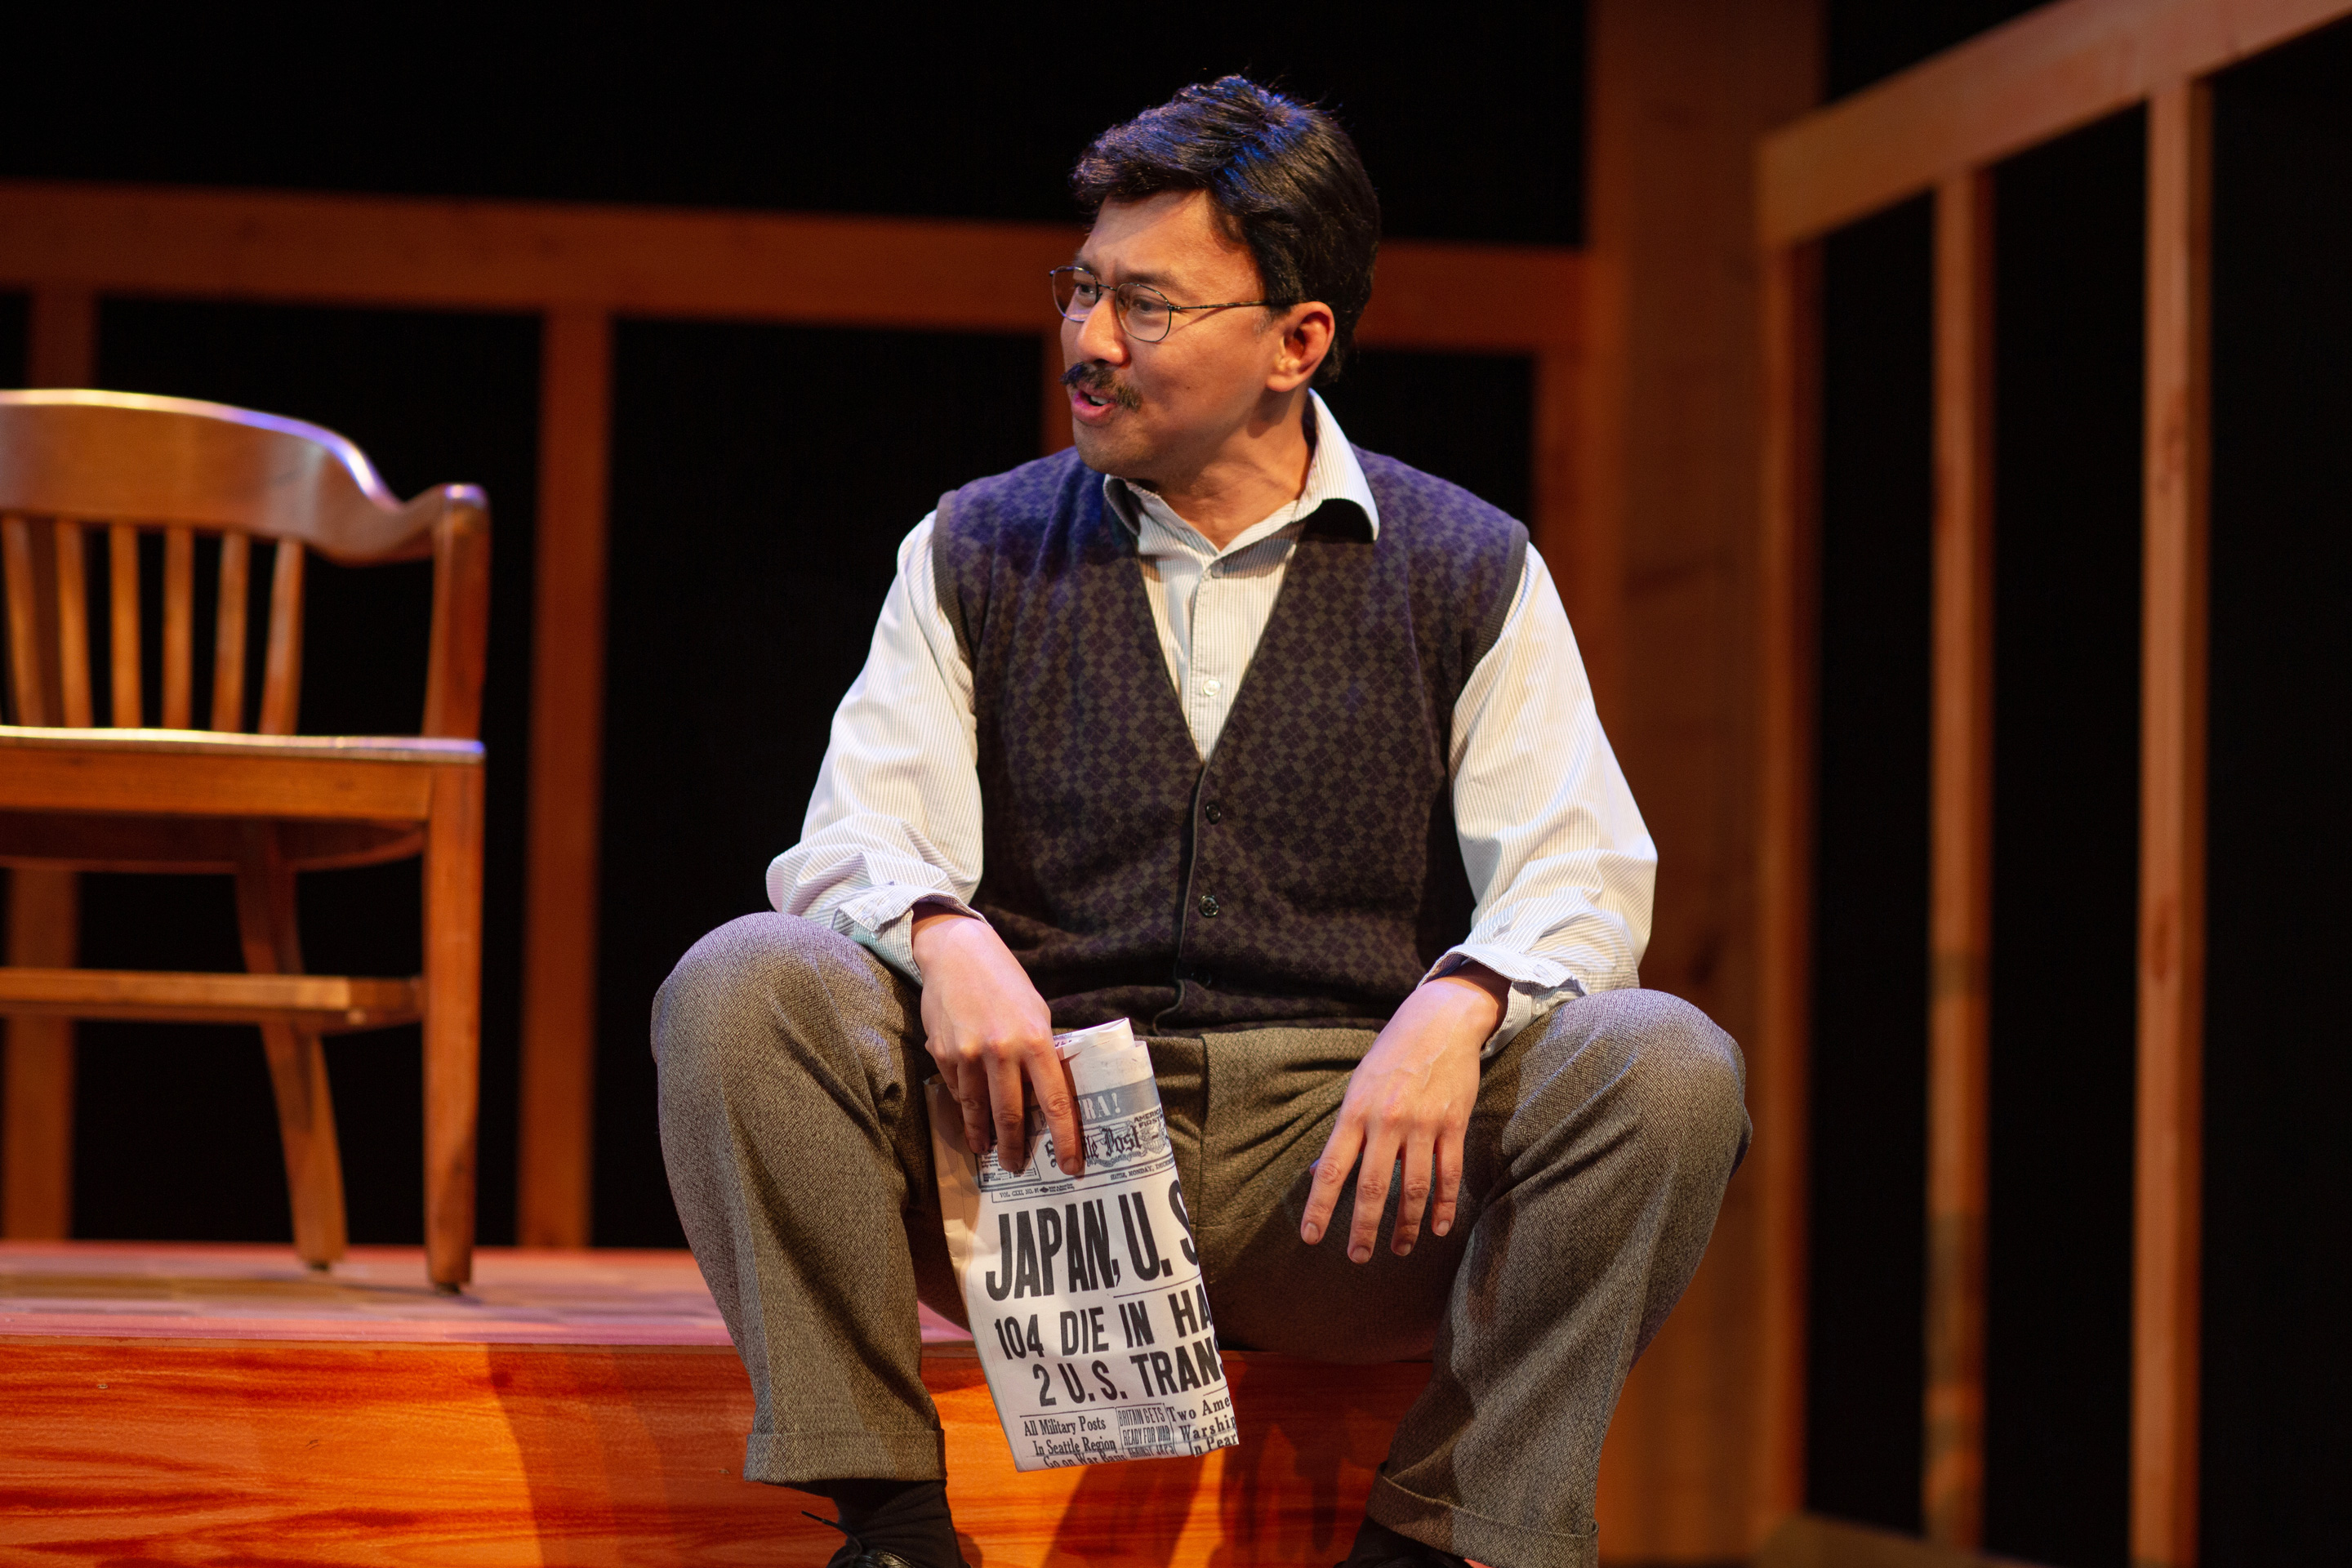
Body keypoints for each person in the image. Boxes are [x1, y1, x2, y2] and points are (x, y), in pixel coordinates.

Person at [653, 76, 1748, 1568]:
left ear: (1297, 342)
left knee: (1666, 1067)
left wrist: (1462, 1003)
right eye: (1082, 288)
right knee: (743, 981)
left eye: (1147, 306)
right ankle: (893, 1527)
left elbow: (1583, 875)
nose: (1091, 340)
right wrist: (944, 933)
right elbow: (855, 833)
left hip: (1346, 1188)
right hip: (1034, 1163)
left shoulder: (1465, 565)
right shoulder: (976, 547)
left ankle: (1444, 1536)